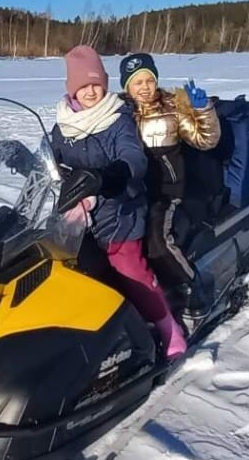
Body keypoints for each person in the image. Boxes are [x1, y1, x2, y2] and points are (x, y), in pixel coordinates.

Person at [51, 46, 188, 360]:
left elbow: (132, 156)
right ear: (71, 88)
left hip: (120, 211)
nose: (91, 91)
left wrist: (114, 173)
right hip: (78, 217)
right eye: (83, 85)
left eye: (96, 83)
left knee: (130, 272)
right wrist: (19, 157)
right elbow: (49, 155)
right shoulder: (63, 124)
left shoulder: (116, 119)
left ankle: (167, 327)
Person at [117, 51, 220, 289]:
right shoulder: (118, 113)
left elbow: (206, 140)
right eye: (137, 82)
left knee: (157, 243)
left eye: (149, 80)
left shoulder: (172, 108)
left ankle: (193, 285)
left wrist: (203, 110)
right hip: (131, 192)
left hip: (165, 191)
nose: (145, 88)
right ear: (127, 86)